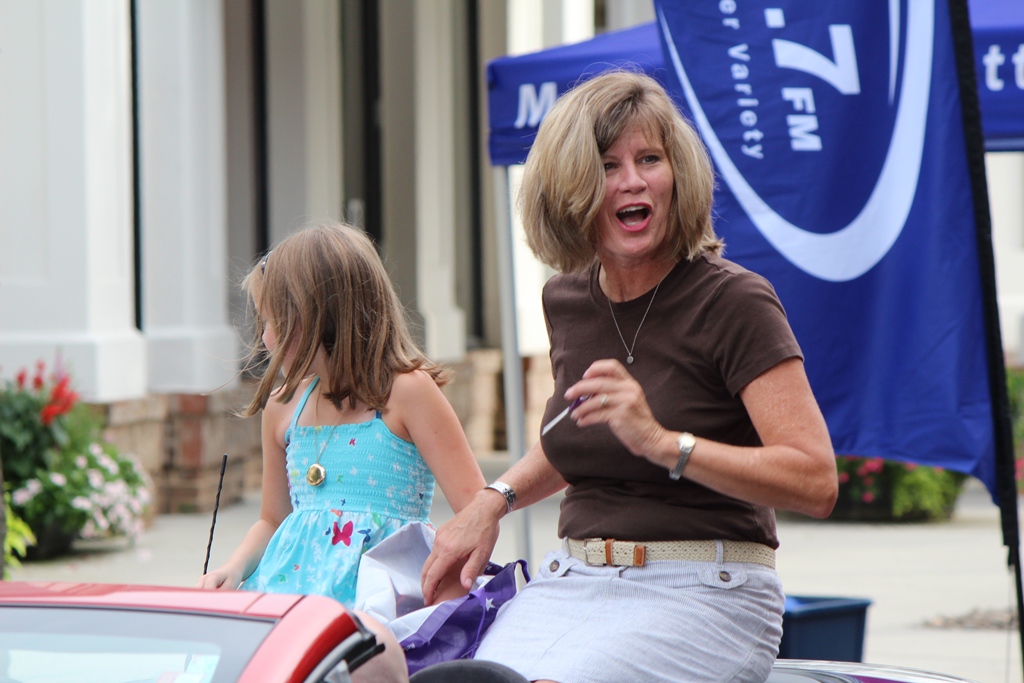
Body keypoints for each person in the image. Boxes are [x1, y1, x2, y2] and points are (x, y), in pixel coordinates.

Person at [421, 71, 838, 683]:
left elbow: (815, 480)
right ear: (572, 188)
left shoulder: (736, 300)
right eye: (607, 165)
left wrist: (665, 444)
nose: (633, 181)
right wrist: (492, 501)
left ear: (678, 175)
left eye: (649, 159)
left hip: (708, 590)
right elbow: (573, 438)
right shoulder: (566, 299)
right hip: (573, 578)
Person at [198, 222, 487, 681]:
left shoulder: (407, 393)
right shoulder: (282, 407)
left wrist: (441, 609)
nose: (265, 338)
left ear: (324, 315)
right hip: (293, 595)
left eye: (275, 321)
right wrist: (232, 570)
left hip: (382, 604)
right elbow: (272, 519)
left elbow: (476, 513)